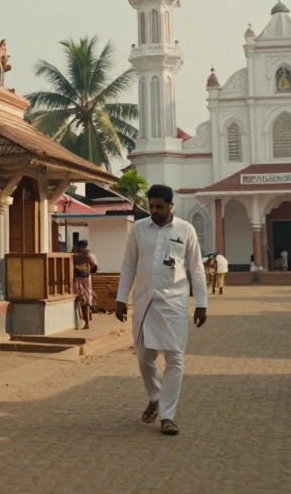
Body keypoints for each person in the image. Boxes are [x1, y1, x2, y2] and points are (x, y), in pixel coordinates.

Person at [116, 184, 208, 436]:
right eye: (151, 206)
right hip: (145, 302)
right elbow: (128, 265)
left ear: (171, 206)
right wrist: (121, 298)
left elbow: (196, 268)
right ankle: (155, 397)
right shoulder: (138, 229)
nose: (154, 211)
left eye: (159, 207)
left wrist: (201, 303)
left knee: (175, 359)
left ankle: (168, 415)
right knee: (145, 357)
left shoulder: (185, 230)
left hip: (175, 304)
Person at [73, 240, 99, 329]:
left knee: (85, 301)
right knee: (83, 300)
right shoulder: (86, 254)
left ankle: (87, 322)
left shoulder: (87, 255)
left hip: (83, 278)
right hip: (82, 278)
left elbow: (94, 267)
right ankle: (85, 321)